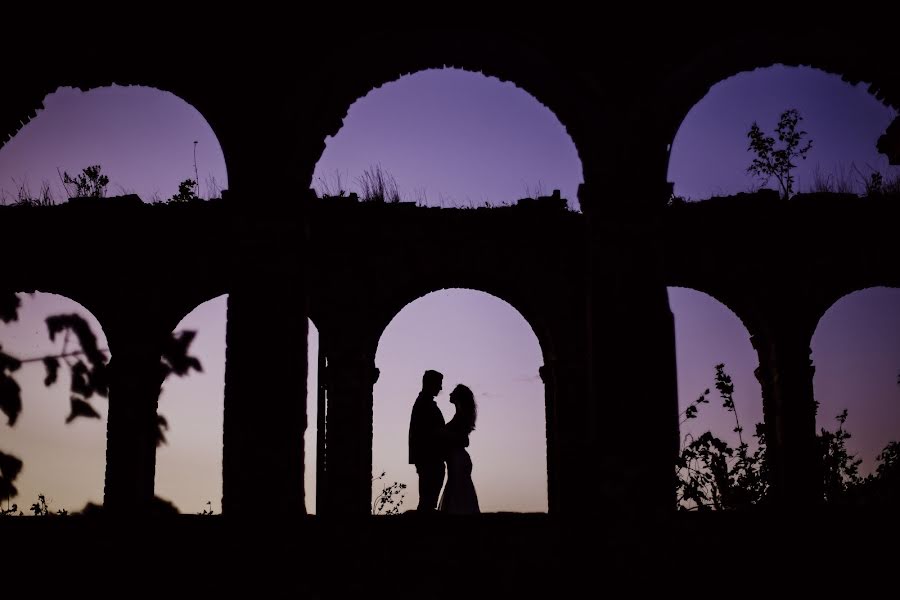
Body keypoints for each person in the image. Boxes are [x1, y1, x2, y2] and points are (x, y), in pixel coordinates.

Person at [439, 384, 480, 514]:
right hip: (455, 458)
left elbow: (464, 440)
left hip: (458, 459)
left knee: (458, 491)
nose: (449, 394)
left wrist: (445, 434)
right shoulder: (460, 415)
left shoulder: (461, 417)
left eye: (453, 392)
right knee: (458, 490)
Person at [408, 369, 445, 511]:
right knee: (427, 501)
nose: (441, 388)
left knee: (428, 501)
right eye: (439, 384)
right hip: (429, 458)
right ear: (431, 384)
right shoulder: (424, 404)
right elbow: (424, 433)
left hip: (428, 458)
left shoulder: (425, 403)